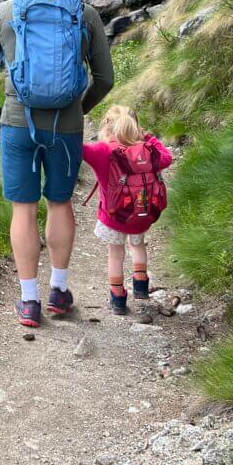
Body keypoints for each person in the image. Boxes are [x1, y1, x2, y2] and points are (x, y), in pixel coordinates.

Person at [0, 0, 114, 327]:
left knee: (23, 208)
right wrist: (77, 111)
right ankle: (58, 291)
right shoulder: (83, 14)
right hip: (65, 125)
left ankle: (29, 301)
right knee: (59, 203)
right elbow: (105, 79)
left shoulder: (6, 12)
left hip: (17, 123)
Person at [83, 106, 173, 315]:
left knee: (115, 255)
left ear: (107, 127)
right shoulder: (149, 151)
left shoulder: (103, 151)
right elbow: (167, 158)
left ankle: (118, 299)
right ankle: (141, 286)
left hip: (114, 217)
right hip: (142, 215)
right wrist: (147, 137)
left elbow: (78, 149)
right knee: (138, 245)